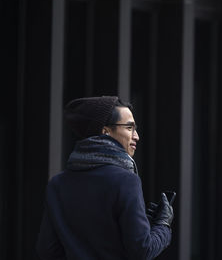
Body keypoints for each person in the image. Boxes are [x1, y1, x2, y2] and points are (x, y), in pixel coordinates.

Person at [36, 96, 174, 260]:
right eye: (129, 128)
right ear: (105, 131)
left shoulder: (57, 185)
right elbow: (142, 250)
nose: (136, 136)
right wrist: (163, 225)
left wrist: (145, 226)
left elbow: (47, 251)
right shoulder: (126, 181)